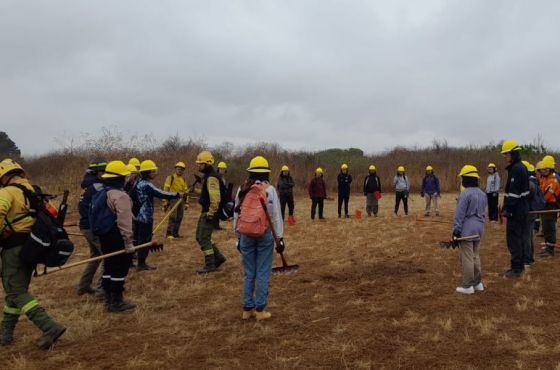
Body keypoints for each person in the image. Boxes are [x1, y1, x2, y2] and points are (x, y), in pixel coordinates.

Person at [0, 159, 66, 349]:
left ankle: (50, 327)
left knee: (16, 290)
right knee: (15, 292)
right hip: (32, 247)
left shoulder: (7, 192)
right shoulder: (33, 191)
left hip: (14, 248)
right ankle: (6, 334)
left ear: (4, 176)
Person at [233, 156, 283, 321]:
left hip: (245, 234)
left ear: (250, 171)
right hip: (265, 234)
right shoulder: (270, 190)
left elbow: (237, 214)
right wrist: (280, 238)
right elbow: (276, 216)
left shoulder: (243, 189)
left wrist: (237, 237)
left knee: (249, 273)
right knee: (262, 271)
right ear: (266, 172)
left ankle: (247, 309)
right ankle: (260, 310)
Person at [94, 161, 137, 312]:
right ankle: (116, 302)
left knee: (109, 267)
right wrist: (129, 243)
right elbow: (125, 222)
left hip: (104, 236)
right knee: (119, 269)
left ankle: (107, 299)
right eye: (125, 176)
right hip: (117, 236)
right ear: (119, 178)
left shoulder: (103, 192)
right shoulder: (121, 196)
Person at [133, 160, 181, 271]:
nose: (155, 173)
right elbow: (160, 193)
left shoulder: (138, 182)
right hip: (145, 217)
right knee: (144, 241)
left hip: (139, 216)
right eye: (153, 171)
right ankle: (141, 264)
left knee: (139, 239)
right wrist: (177, 194)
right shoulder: (146, 185)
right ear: (147, 172)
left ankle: (135, 261)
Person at [453, 165, 487, 294]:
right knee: (475, 255)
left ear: (465, 179)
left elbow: (459, 214)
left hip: (467, 229)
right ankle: (478, 283)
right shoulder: (482, 194)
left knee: (466, 256)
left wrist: (456, 230)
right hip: (479, 228)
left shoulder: (465, 194)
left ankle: (468, 286)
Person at [77, 158, 108, 297]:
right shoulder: (96, 185)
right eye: (104, 171)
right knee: (107, 256)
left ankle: (84, 286)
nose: (106, 174)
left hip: (85, 225)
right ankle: (102, 290)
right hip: (91, 227)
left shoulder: (88, 182)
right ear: (97, 172)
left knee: (96, 256)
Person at [500, 140, 530, 278]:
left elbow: (513, 194)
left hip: (516, 211)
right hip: (521, 210)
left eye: (506, 154)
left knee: (514, 239)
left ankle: (516, 268)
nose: (505, 156)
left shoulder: (517, 169)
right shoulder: (520, 167)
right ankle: (520, 265)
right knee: (520, 238)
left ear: (513, 153)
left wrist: (507, 208)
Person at [194, 151, 227, 274]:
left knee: (203, 238)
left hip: (209, 212)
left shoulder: (212, 177)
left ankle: (210, 264)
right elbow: (207, 195)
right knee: (200, 236)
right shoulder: (208, 176)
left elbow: (215, 198)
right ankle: (218, 257)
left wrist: (210, 213)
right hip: (206, 211)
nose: (198, 166)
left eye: (200, 164)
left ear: (207, 164)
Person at [537, 157, 560, 257]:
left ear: (550, 169)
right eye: (542, 169)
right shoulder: (544, 179)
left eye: (546, 169)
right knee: (545, 228)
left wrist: (537, 204)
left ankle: (550, 250)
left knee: (549, 227)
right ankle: (547, 246)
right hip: (545, 206)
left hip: (550, 206)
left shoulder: (553, 181)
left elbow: (546, 196)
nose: (543, 171)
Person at [163, 162, 188, 240]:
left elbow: (186, 191)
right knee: (173, 216)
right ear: (175, 169)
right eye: (178, 169)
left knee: (179, 216)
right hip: (173, 199)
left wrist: (187, 202)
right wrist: (165, 201)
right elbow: (165, 190)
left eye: (181, 169)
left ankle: (175, 233)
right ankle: (169, 233)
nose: (180, 170)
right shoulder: (170, 178)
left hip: (181, 200)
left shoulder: (183, 179)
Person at [523, 161, 540, 266]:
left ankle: (527, 259)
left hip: (528, 212)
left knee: (526, 236)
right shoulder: (534, 181)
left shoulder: (529, 184)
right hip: (532, 212)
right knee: (529, 236)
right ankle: (530, 258)